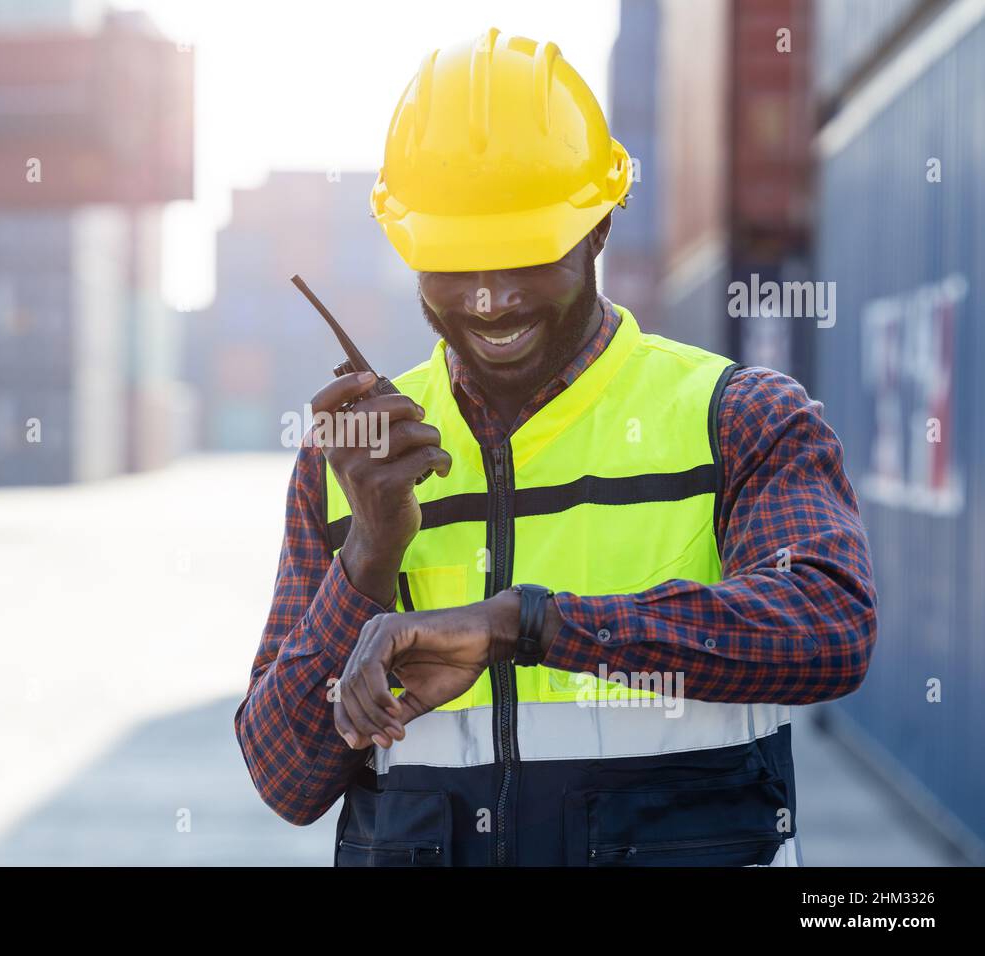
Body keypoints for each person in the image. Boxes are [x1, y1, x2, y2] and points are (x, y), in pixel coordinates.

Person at [236, 28, 876, 866]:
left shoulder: (735, 416)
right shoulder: (348, 462)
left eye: (524, 255)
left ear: (599, 228)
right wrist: (369, 550)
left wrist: (527, 626)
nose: (491, 298)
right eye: (456, 262)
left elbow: (828, 630)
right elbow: (287, 781)